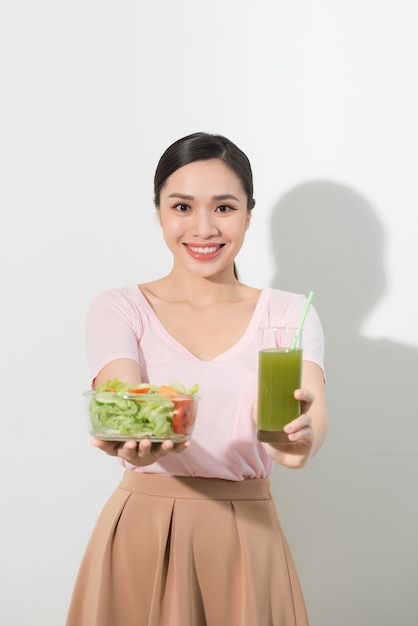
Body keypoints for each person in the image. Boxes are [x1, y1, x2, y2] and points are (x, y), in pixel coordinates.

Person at [66, 132, 328, 626]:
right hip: (140, 536)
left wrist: (301, 440)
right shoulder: (120, 308)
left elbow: (310, 406)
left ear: (250, 213)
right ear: (158, 210)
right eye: (182, 206)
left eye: (224, 208)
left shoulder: (288, 314)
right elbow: (120, 396)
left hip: (247, 537)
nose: (203, 228)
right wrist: (128, 436)